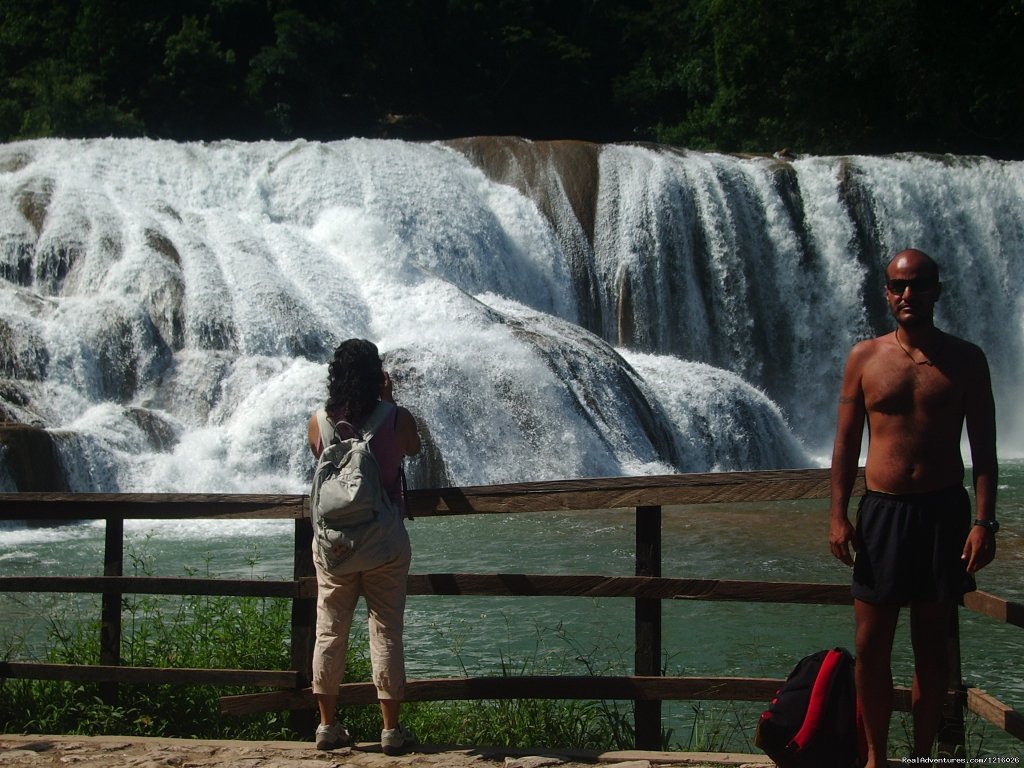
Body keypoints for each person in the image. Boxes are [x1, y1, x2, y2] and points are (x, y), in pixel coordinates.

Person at [828, 249, 998, 767]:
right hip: (882, 513)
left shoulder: (966, 360)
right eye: (899, 286)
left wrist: (984, 522)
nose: (908, 295)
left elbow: (985, 449)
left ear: (936, 291)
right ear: (886, 293)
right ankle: (876, 757)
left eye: (919, 285)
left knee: (931, 647)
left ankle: (922, 756)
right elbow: (844, 444)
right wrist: (837, 515)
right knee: (872, 645)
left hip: (944, 513)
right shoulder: (865, 357)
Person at [306, 339, 422, 754]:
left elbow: (321, 459)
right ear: (378, 375)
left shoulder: (318, 420)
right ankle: (390, 729)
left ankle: (326, 726)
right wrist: (390, 402)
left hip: (334, 547)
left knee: (329, 631)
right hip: (384, 544)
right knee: (386, 631)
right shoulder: (395, 418)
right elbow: (414, 448)